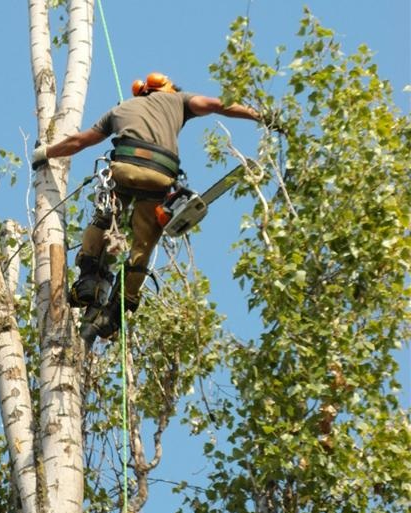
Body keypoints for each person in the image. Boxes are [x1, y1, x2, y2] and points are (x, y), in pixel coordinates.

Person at [31, 71, 263, 343]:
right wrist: (260, 115)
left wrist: (44, 153)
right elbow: (219, 105)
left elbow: (79, 141)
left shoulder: (120, 108)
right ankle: (114, 313)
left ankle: (89, 280)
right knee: (143, 245)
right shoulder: (180, 99)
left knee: (104, 219)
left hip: (124, 169)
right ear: (168, 88)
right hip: (159, 175)